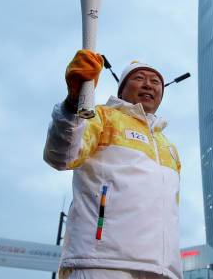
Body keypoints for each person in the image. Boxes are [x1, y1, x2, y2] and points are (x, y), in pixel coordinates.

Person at [44, 51, 181, 279]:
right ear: (121, 89)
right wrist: (73, 104)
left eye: (155, 81)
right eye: (139, 78)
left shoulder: (168, 146)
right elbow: (62, 155)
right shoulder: (102, 116)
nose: (149, 84)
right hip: (101, 262)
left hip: (164, 271)